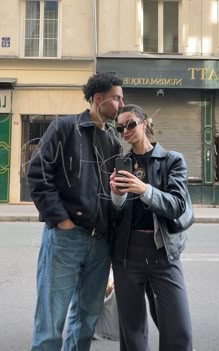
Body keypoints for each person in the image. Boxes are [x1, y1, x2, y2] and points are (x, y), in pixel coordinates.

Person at [27, 72, 124, 351]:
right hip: (65, 238)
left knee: (86, 321)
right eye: (116, 98)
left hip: (99, 242)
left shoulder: (113, 143)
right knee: (51, 324)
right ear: (98, 99)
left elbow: (111, 193)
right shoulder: (64, 128)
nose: (120, 104)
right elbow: (37, 173)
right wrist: (61, 220)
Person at [110, 104, 193, 351]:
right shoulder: (121, 162)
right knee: (132, 331)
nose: (125, 131)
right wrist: (116, 196)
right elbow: (114, 216)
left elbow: (178, 205)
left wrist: (144, 189)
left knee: (178, 330)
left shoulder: (172, 160)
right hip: (126, 253)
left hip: (163, 252)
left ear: (145, 123)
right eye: (120, 128)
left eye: (131, 124)